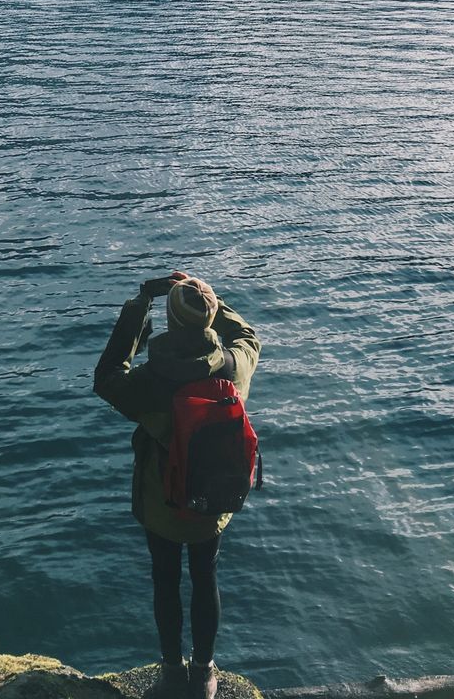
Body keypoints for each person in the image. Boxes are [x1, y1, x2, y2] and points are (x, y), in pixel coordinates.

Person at [93, 271, 261, 699]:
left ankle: (172, 673)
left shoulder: (150, 383)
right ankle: (204, 674)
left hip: (162, 504)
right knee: (206, 577)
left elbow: (107, 374)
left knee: (165, 579)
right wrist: (208, 296)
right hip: (213, 502)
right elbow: (248, 336)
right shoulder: (232, 366)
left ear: (170, 321)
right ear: (206, 322)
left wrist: (142, 302)